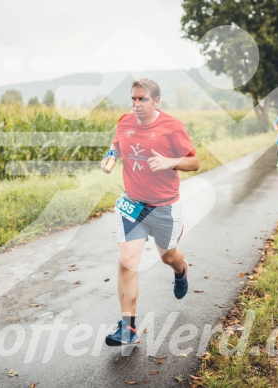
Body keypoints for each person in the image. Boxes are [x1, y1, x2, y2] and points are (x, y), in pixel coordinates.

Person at [100, 78, 200, 346]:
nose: (136, 104)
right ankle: (128, 329)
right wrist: (109, 157)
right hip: (133, 206)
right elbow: (116, 146)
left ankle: (181, 271)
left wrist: (171, 161)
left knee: (168, 256)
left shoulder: (172, 127)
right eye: (133, 99)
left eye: (142, 99)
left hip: (165, 208)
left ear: (156, 101)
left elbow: (195, 162)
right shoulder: (125, 122)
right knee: (127, 260)